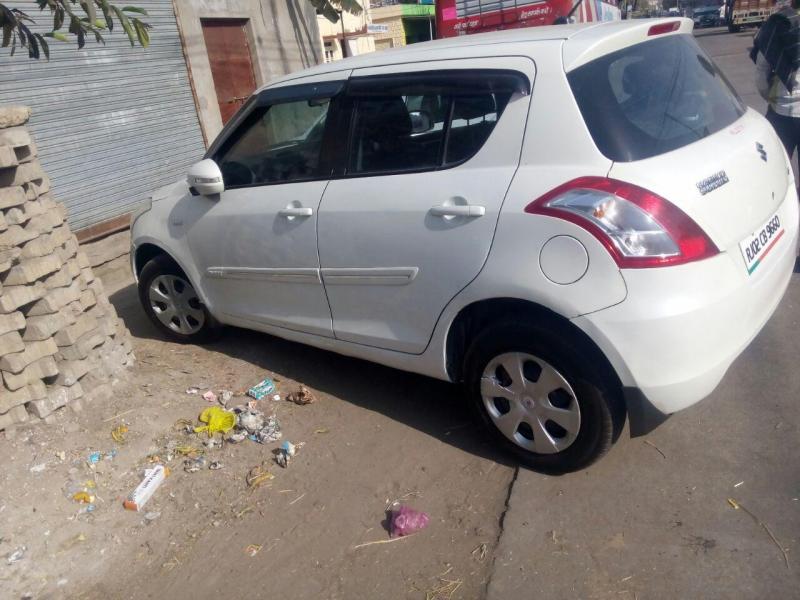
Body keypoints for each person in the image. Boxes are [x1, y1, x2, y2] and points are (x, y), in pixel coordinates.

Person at [752, 1, 800, 170]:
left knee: (778, 169)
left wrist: (770, 96)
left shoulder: (776, 24)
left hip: (781, 111)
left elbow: (761, 72)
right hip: (783, 110)